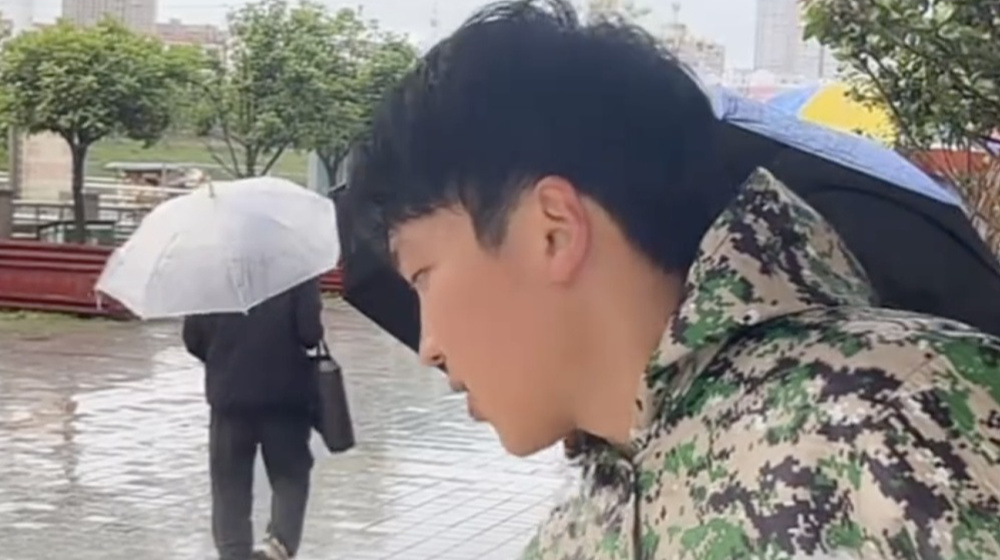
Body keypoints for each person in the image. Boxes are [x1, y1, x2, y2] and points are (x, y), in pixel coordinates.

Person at [343, 1, 1000, 558]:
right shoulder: (570, 538)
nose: (427, 347)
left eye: (422, 273)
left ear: (554, 231)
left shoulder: (905, 408)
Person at [182, 278, 323, 560]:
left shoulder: (212, 273)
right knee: (290, 476)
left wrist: (224, 355)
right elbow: (310, 334)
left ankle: (233, 552)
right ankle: (279, 546)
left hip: (229, 397)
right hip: (285, 396)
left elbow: (193, 339)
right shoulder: (295, 271)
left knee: (229, 483)